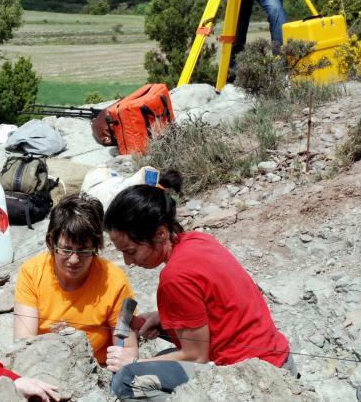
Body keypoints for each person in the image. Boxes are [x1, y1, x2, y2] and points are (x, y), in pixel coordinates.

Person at [102, 170, 293, 400]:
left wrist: (133, 362)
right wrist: (164, 318)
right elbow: (213, 305)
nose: (128, 262)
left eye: (131, 251)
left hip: (254, 376)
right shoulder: (198, 241)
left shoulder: (175, 278)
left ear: (160, 233)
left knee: (126, 379)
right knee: (164, 355)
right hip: (278, 356)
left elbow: (195, 356)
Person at [14, 194, 138, 366]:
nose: (74, 260)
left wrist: (123, 360)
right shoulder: (32, 272)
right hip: (43, 364)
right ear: (51, 242)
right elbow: (23, 344)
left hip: (95, 369)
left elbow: (127, 348)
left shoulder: (115, 281)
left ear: (95, 247)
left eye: (83, 251)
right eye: (66, 249)